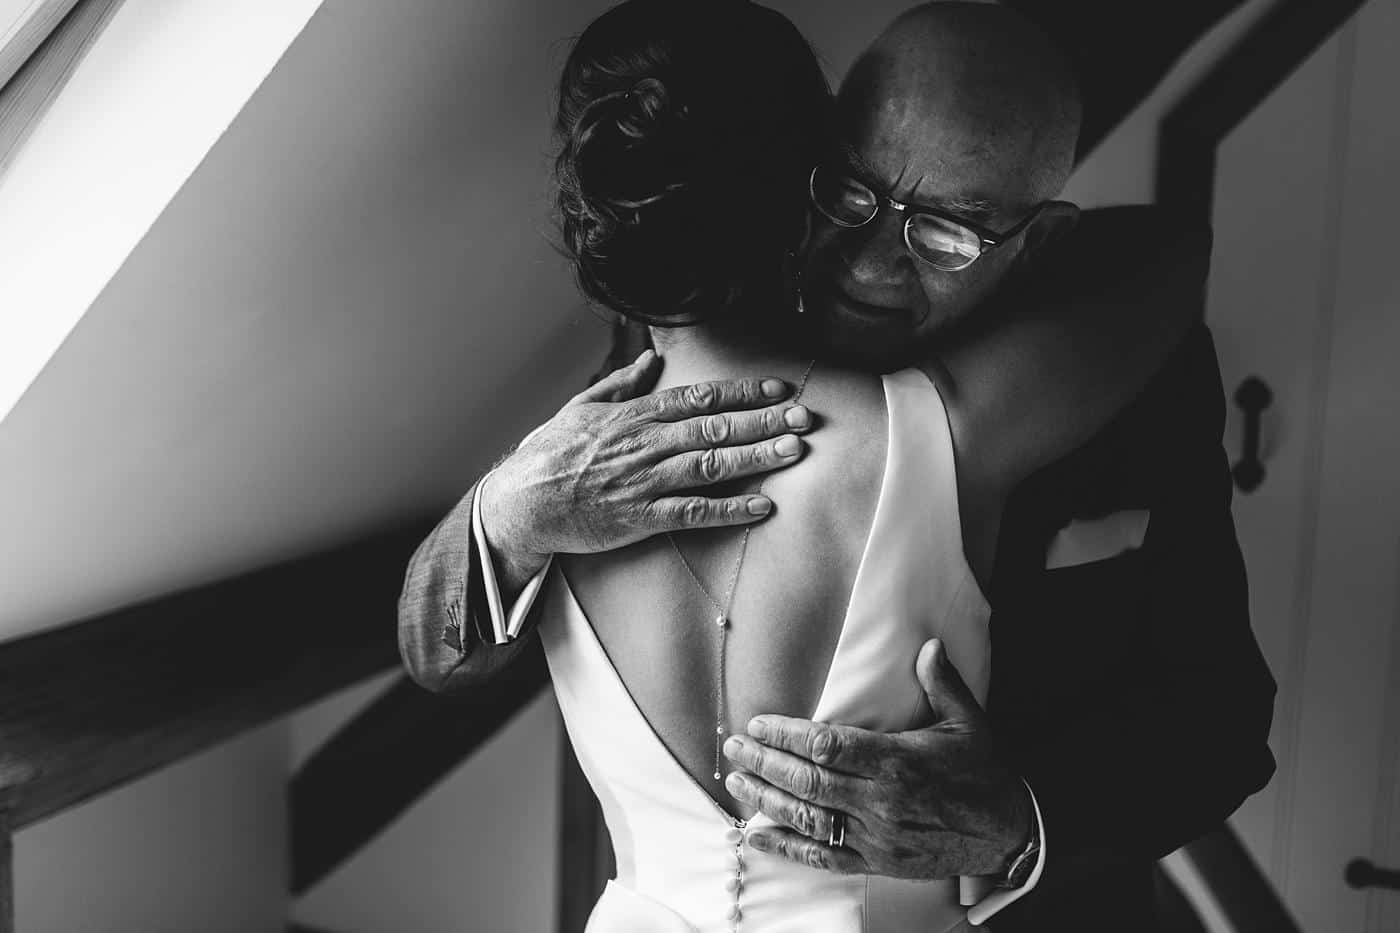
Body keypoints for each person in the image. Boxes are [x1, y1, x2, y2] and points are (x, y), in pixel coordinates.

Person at [398, 2, 1276, 930]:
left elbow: (1221, 721)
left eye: (945, 234)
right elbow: (441, 644)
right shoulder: (671, 345)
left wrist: (1017, 821)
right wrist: (506, 512)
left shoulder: (1135, 377)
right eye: (849, 195)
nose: (869, 265)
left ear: (1040, 240)